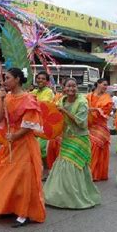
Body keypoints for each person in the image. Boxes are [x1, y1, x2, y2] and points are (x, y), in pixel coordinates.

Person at [0, 68, 45, 228]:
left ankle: (25, 213)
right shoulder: (6, 97)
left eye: (8, 78)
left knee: (23, 177)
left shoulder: (29, 99)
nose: (4, 80)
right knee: (6, 175)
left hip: (24, 143)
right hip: (9, 143)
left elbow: (29, 125)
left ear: (17, 79)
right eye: (4, 77)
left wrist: (15, 136)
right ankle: (9, 207)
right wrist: (2, 100)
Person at [44, 78, 101, 209]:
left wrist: (64, 111)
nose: (71, 88)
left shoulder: (82, 102)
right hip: (66, 138)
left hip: (79, 138)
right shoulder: (61, 100)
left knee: (73, 165)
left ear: (77, 87)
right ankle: (59, 196)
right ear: (63, 88)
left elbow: (81, 122)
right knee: (63, 164)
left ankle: (75, 197)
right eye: (68, 86)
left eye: (73, 86)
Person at [86, 78, 113, 181]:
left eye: (106, 85)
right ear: (98, 84)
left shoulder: (107, 98)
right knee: (88, 148)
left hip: (100, 126)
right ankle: (91, 173)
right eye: (104, 84)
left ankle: (93, 173)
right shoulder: (88, 96)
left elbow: (104, 113)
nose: (105, 87)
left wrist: (92, 110)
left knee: (95, 146)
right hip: (88, 125)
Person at [31, 71, 54, 179]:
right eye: (38, 78)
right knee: (31, 147)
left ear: (47, 81)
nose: (40, 80)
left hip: (44, 123)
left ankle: (46, 168)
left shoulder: (48, 92)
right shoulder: (34, 91)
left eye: (43, 78)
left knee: (41, 148)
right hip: (33, 123)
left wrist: (32, 101)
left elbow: (43, 105)